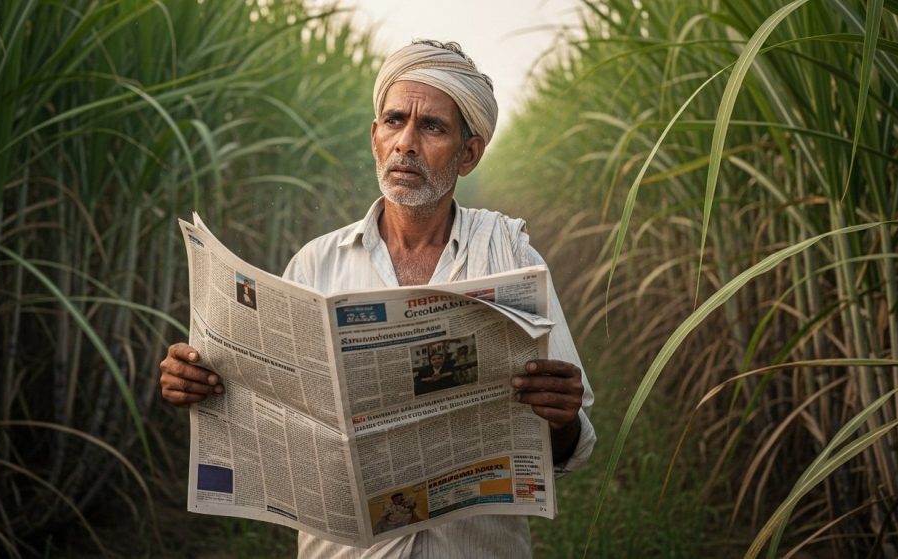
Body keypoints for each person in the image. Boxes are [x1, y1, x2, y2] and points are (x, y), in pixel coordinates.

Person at [159, 39, 596, 558]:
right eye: (394, 121)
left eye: (432, 127)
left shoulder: (508, 257)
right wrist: (199, 385)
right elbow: (261, 412)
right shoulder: (316, 265)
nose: (406, 143)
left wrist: (564, 419)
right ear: (374, 137)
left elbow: (572, 446)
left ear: (469, 153)